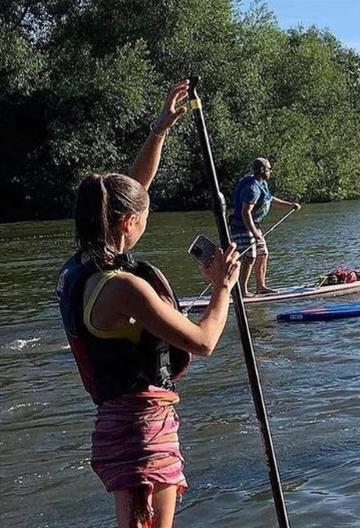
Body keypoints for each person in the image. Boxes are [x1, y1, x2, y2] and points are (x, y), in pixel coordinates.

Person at [55, 80, 241, 528]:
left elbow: (132, 188)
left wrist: (160, 130)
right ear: (125, 223)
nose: (146, 222)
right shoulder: (123, 288)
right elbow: (203, 341)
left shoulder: (78, 267)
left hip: (114, 421)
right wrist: (223, 287)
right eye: (143, 217)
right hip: (143, 428)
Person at [228, 157, 300, 297]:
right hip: (241, 227)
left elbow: (270, 200)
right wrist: (254, 233)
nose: (270, 171)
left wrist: (290, 205)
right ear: (262, 170)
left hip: (254, 225)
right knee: (249, 257)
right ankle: (243, 291)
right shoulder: (252, 188)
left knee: (262, 253)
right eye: (269, 169)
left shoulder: (262, 183)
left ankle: (261, 287)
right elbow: (245, 212)